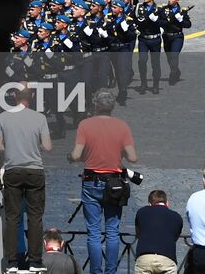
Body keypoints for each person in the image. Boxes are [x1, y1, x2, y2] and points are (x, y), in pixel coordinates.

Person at [67, 88, 137, 274]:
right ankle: (111, 271)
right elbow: (133, 157)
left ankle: (96, 271)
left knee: (94, 232)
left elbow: (76, 154)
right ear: (112, 106)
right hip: (114, 182)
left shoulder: (85, 125)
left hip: (91, 181)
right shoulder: (122, 126)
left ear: (95, 105)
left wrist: (72, 158)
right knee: (113, 230)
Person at [0, 86, 52, 272]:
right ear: (31, 97)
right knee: (35, 217)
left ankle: (12, 262)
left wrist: (11, 146)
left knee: (12, 217)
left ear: (15, 97)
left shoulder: (3, 117)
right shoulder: (39, 118)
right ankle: (35, 261)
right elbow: (48, 146)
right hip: (34, 170)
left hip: (13, 170)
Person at [131, 190, 181, 274]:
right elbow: (175, 236)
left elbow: (138, 233)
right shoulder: (177, 217)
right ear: (167, 203)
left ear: (150, 204)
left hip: (145, 257)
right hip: (167, 258)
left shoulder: (142, 212)